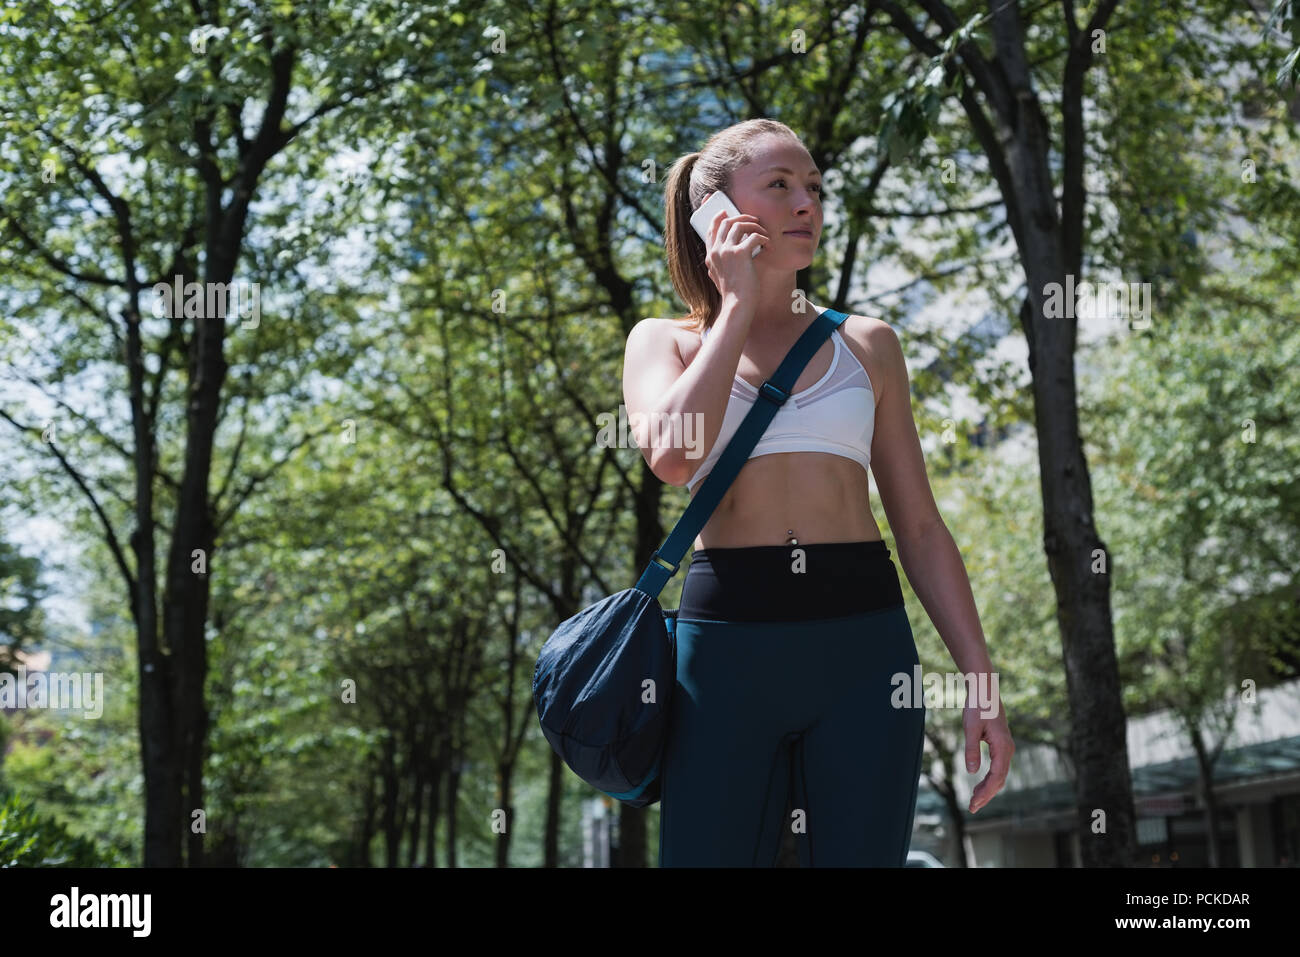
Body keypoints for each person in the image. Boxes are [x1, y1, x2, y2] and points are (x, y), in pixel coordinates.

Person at [621, 118, 1015, 867]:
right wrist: (733, 308)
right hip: (726, 645)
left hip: (865, 646)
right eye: (780, 186)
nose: (808, 204)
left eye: (815, 189)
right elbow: (673, 457)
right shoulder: (663, 342)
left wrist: (980, 679)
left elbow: (922, 529)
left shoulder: (869, 344)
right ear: (716, 213)